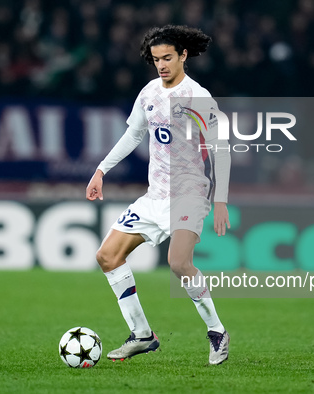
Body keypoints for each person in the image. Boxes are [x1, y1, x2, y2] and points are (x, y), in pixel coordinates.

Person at [86, 25, 232, 365]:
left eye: (167, 58)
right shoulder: (149, 93)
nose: (161, 65)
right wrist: (101, 170)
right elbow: (134, 135)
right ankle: (142, 336)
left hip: (189, 193)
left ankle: (216, 331)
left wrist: (221, 199)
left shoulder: (198, 97)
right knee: (107, 256)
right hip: (155, 197)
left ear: (183, 55)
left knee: (178, 263)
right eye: (155, 60)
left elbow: (220, 150)